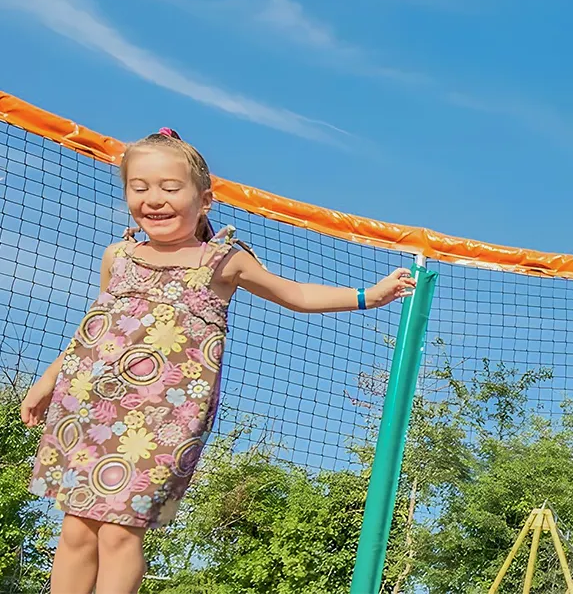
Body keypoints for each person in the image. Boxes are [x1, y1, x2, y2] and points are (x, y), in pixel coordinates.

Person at [19, 127, 417, 594]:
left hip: (161, 416)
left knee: (119, 530)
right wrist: (47, 382)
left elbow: (297, 295)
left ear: (203, 199)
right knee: (75, 529)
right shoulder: (119, 256)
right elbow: (95, 328)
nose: (154, 199)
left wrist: (369, 295)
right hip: (89, 402)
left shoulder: (223, 261)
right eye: (139, 187)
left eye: (170, 188)